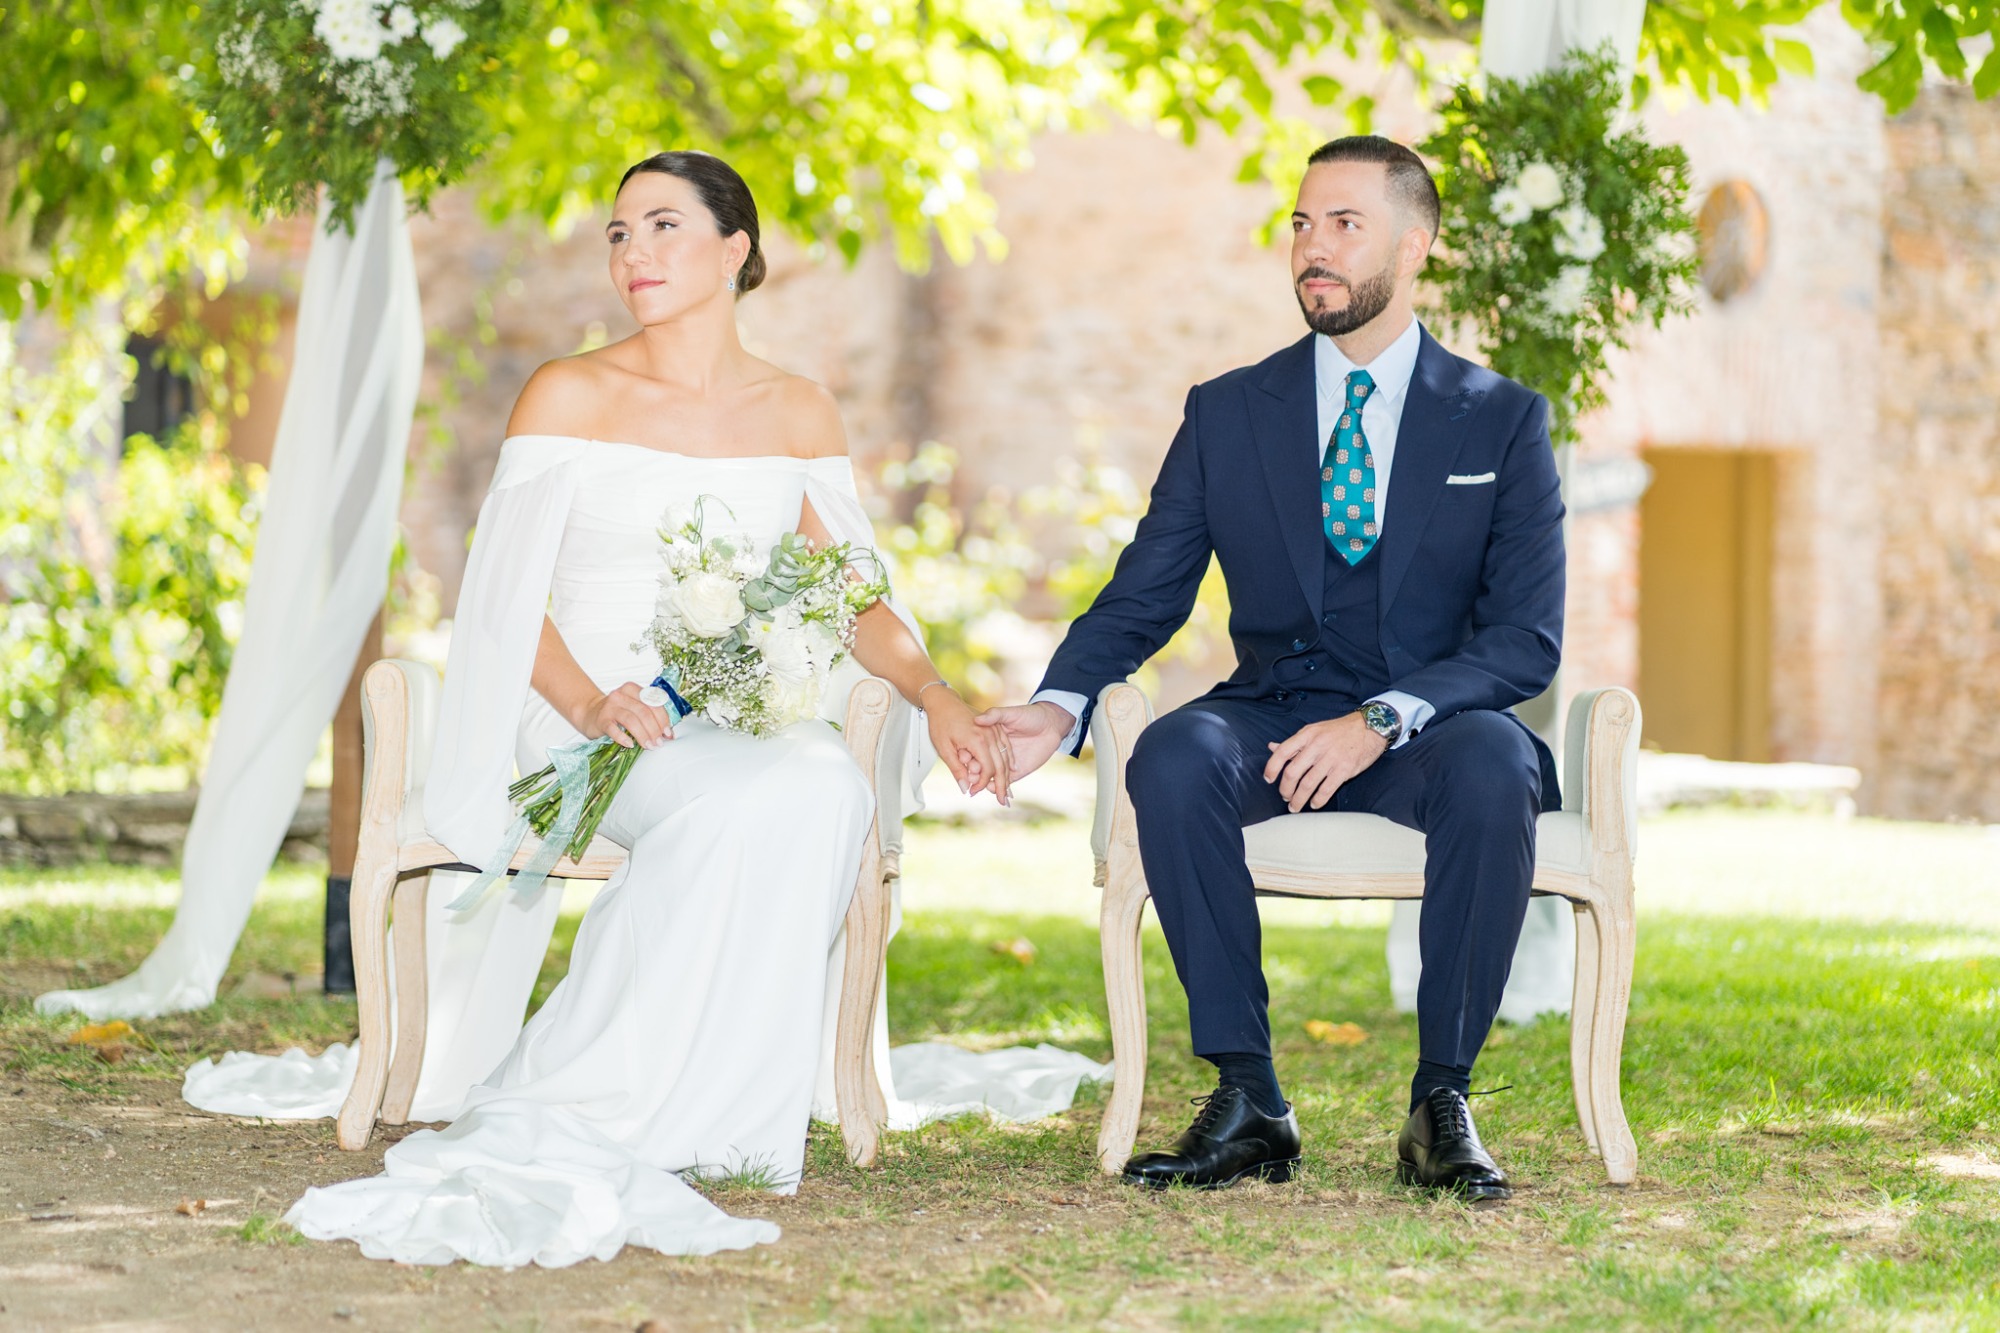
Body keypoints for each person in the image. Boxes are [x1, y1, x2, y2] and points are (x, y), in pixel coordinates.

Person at [283, 151, 1023, 1267]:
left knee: (821, 783)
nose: (633, 253)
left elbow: (847, 595)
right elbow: (504, 596)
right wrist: (591, 700)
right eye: (619, 233)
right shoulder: (569, 391)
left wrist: (934, 692)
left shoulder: (798, 409)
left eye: (664, 227)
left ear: (737, 250)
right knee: (748, 800)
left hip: (734, 715)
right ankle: (593, 1090)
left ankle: (720, 1106)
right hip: (580, 714)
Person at [978, 136, 1566, 1201]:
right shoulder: (1226, 411)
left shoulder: (1502, 419)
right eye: (1300, 223)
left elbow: (1524, 638)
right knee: (1171, 751)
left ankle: (1441, 1102)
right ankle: (1248, 1096)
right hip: (1273, 713)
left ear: (1415, 243)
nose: (1311, 247)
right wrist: (1054, 704)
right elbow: (1145, 591)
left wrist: (1384, 717)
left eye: (1343, 224)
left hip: (1428, 731)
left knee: (1493, 763)